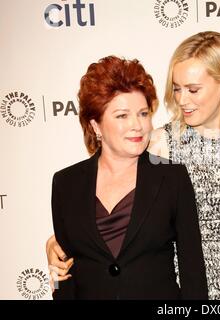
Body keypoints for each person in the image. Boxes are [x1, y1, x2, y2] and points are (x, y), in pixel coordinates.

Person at [47, 32, 220, 300]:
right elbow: (111, 191)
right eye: (176, 88)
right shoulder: (158, 143)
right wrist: (57, 242)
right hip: (183, 283)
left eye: (193, 89)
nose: (181, 99)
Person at [49, 55, 208, 299]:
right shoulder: (66, 184)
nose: (138, 125)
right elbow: (62, 273)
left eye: (143, 114)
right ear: (96, 126)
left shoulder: (172, 178)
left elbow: (193, 273)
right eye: (122, 116)